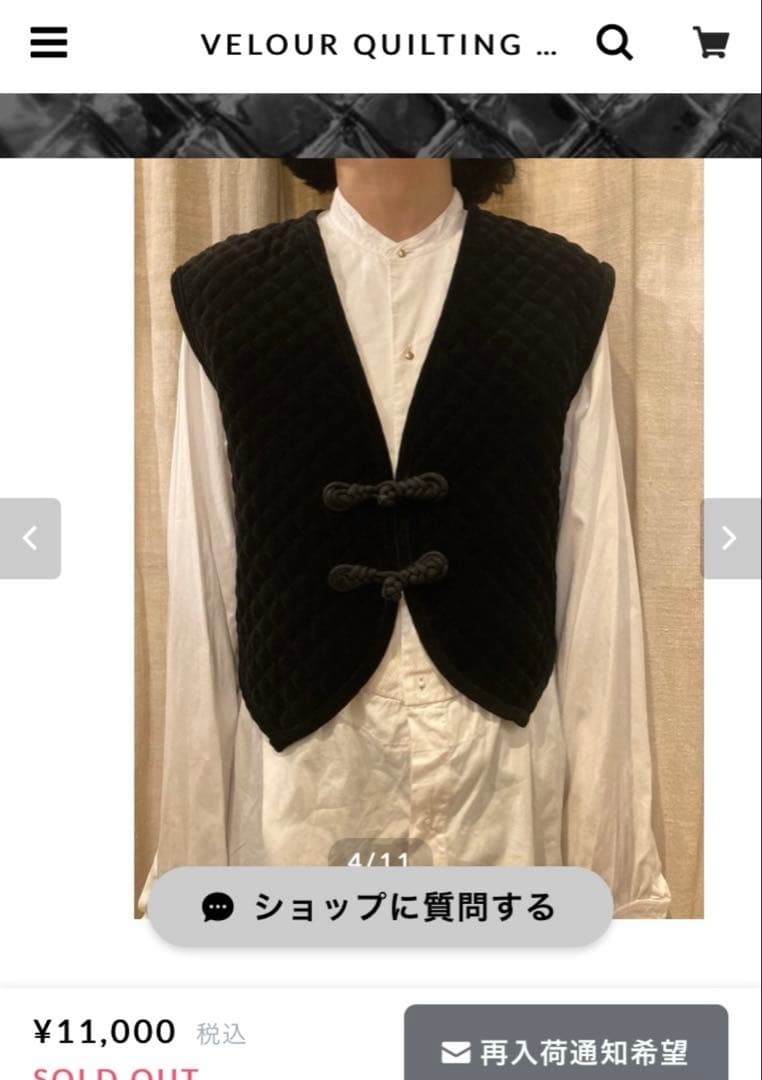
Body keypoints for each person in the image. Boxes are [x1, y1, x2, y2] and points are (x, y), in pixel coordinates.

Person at [140, 158, 670, 918]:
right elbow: (204, 573)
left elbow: (596, 577)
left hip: (496, 771)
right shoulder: (226, 294)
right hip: (305, 782)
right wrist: (194, 881)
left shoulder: (560, 290)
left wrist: (615, 887)